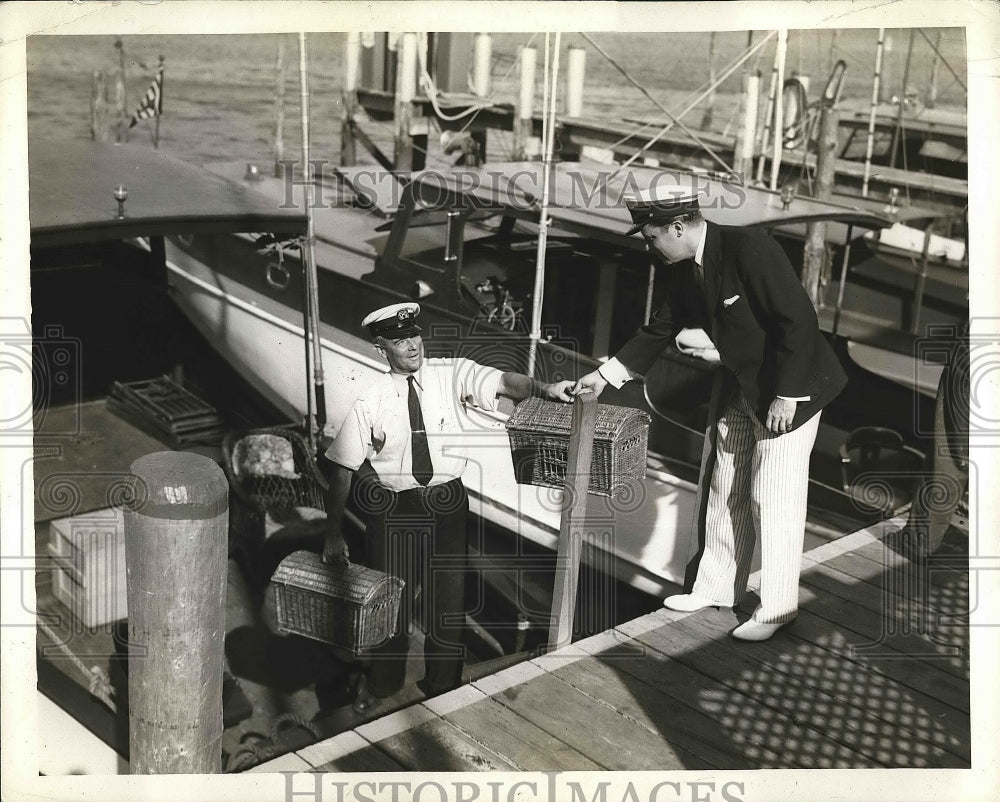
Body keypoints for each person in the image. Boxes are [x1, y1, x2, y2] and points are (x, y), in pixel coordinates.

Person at [574, 187, 847, 641]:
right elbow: (660, 326)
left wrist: (789, 395)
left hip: (790, 389)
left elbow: (798, 319)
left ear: (678, 228)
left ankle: (779, 608)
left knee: (771, 496)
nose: (648, 246)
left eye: (650, 237)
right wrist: (605, 377)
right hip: (743, 387)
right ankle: (718, 587)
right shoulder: (682, 267)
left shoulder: (751, 250)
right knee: (725, 487)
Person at [321, 302, 574, 712]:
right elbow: (344, 471)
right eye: (400, 340)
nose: (412, 345)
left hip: (448, 502)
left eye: (415, 335)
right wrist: (333, 534)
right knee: (391, 606)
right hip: (394, 509)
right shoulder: (370, 399)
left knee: (449, 601)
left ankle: (443, 686)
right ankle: (383, 686)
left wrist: (546, 390)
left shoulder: (451, 373)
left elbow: (504, 382)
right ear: (380, 347)